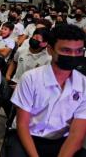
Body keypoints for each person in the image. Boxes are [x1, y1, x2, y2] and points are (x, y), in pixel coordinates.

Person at [7, 24, 86, 157]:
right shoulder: (31, 78)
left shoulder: (83, 85)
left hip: (60, 140)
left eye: (78, 51)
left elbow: (76, 134)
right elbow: (22, 125)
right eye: (66, 50)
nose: (73, 56)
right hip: (27, 136)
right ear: (50, 50)